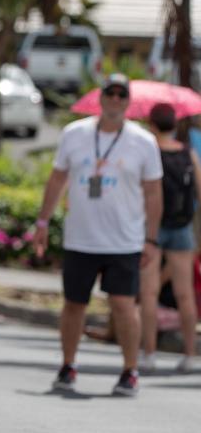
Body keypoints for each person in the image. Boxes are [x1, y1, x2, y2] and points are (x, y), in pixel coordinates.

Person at [33, 74, 163, 396]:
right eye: (110, 93)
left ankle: (130, 370)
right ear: (100, 97)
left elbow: (153, 193)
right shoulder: (74, 134)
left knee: (122, 305)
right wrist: (42, 222)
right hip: (81, 237)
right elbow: (57, 178)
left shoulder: (143, 141)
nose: (116, 99)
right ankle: (67, 365)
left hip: (124, 240)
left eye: (122, 94)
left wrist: (151, 238)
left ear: (128, 102)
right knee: (74, 304)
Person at [139, 102, 201, 372]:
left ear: (151, 124)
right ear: (174, 125)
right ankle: (189, 354)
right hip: (182, 227)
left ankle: (149, 353)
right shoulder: (188, 153)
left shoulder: (149, 151)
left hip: (152, 229)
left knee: (149, 293)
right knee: (185, 294)